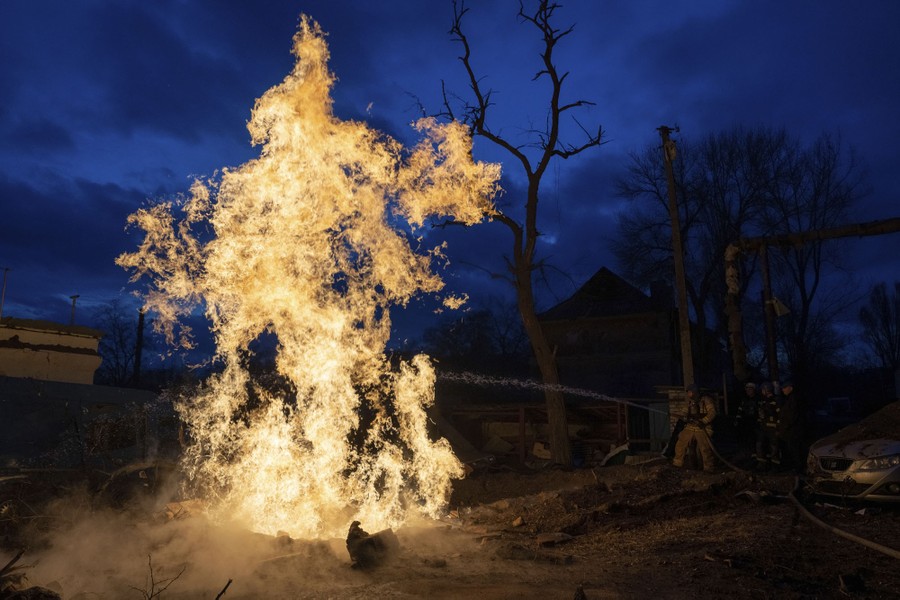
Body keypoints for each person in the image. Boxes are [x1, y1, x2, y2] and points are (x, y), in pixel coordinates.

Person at [672, 384, 718, 473]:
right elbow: (684, 412)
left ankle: (708, 468)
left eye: (689, 392)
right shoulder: (690, 402)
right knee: (681, 443)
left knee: (705, 449)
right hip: (690, 427)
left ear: (694, 392)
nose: (688, 394)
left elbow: (712, 413)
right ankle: (677, 464)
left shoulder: (706, 400)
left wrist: (703, 421)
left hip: (704, 428)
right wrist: (683, 417)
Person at [776, 380, 806, 472]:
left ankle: (798, 468)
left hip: (793, 430)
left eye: (785, 388)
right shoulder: (789, 399)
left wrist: (784, 427)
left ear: (791, 388)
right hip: (791, 429)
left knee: (794, 449)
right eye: (782, 388)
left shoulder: (793, 399)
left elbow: (791, 415)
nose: (783, 390)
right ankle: (794, 467)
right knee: (792, 449)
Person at [755, 381, 781, 470]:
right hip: (763, 428)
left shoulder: (775, 401)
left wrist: (778, 428)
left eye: (763, 390)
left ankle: (775, 465)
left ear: (767, 390)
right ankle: (762, 463)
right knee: (760, 444)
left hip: (773, 429)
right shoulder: (763, 401)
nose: (762, 391)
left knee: (774, 446)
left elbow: (779, 415)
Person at [734, 381, 759, 456]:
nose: (748, 391)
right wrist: (737, 419)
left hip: (755, 422)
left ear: (753, 389)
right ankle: (747, 452)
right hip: (746, 422)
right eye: (747, 389)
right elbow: (740, 410)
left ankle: (755, 453)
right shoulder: (744, 399)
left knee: (755, 438)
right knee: (746, 437)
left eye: (749, 389)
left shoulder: (757, 399)